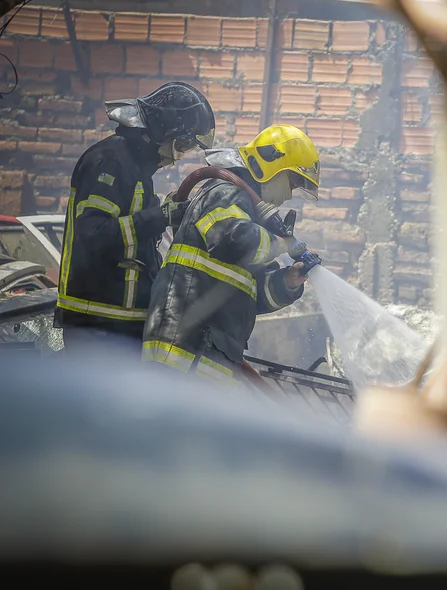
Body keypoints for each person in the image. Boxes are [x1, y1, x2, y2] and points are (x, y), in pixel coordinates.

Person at [141, 124, 321, 382]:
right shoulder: (225, 192)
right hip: (182, 349)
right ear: (272, 165)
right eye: (292, 183)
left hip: (208, 353)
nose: (290, 194)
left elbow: (252, 296)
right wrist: (281, 244)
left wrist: (288, 282)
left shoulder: (250, 214)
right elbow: (230, 239)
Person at [56, 82, 215, 354]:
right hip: (97, 323)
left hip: (121, 322)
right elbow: (94, 235)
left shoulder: (137, 168)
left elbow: (136, 241)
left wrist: (163, 214)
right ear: (162, 129)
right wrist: (159, 217)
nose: (179, 155)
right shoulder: (110, 162)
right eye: (182, 143)